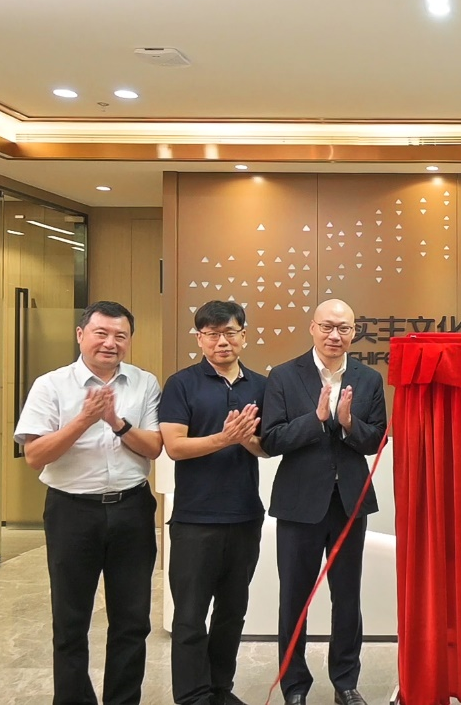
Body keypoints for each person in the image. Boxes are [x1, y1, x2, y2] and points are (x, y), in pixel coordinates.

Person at [14, 300, 163, 705]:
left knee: (132, 620)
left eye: (120, 336)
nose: (110, 343)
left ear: (129, 341)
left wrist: (116, 422)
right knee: (70, 621)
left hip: (132, 509)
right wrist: (85, 418)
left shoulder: (144, 383)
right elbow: (35, 455)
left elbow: (153, 447)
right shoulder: (51, 385)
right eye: (101, 333)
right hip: (72, 511)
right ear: (81, 334)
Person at [261, 299, 387, 705]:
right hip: (299, 504)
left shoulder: (369, 379)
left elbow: (377, 439)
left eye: (344, 328)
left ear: (354, 332)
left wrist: (348, 423)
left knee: (347, 597)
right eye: (328, 327)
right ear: (312, 328)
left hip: (349, 503)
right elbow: (271, 439)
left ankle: (345, 682)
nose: (336, 335)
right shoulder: (284, 376)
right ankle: (295, 686)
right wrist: (315, 419)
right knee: (294, 598)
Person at [159, 301, 268, 705]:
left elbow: (266, 447)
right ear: (200, 339)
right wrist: (224, 438)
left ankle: (220, 690)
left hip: (244, 517)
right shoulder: (181, 384)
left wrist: (246, 439)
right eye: (212, 334)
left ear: (244, 335)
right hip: (195, 519)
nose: (222, 341)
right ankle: (192, 697)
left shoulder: (260, 386)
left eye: (230, 333)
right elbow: (174, 447)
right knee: (190, 616)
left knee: (231, 613)